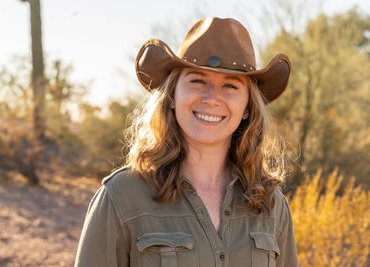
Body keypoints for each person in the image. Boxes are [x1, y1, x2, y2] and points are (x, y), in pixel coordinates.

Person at [75, 17, 298, 267]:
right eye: (197, 81)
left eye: (230, 86)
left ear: (247, 106)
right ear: (172, 96)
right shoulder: (121, 196)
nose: (212, 99)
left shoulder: (271, 202)